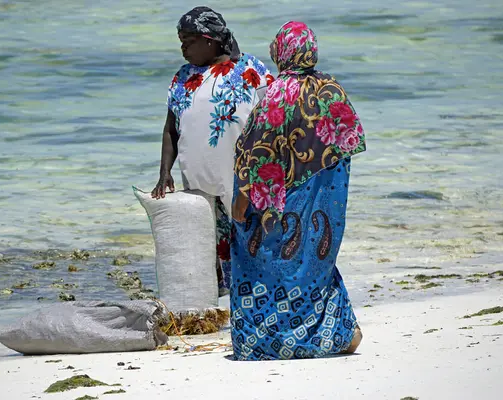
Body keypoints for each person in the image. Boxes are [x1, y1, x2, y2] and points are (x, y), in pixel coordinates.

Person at [230, 21, 366, 361]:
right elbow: (345, 148)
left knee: (266, 261)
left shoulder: (276, 95)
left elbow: (256, 154)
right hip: (325, 204)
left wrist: (241, 200)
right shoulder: (332, 89)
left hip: (281, 203)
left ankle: (264, 340)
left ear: (281, 52)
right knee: (312, 263)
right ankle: (330, 333)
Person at [151, 6, 274, 296]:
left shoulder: (250, 70)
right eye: (181, 41)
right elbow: (171, 129)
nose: (183, 48)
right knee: (209, 245)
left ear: (210, 40)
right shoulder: (182, 78)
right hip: (197, 183)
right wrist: (164, 172)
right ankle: (225, 300)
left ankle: (258, 296)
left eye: (188, 41)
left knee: (251, 238)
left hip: (241, 180)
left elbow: (272, 121)